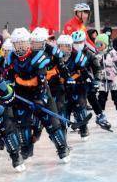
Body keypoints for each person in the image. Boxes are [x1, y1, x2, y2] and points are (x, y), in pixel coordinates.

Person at [5, 28, 70, 161]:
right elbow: (9, 78)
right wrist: (8, 91)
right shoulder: (11, 57)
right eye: (17, 43)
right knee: (23, 124)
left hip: (40, 92)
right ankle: (26, 148)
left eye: (22, 43)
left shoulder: (38, 56)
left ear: (28, 42)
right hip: (22, 94)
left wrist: (40, 99)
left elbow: (41, 79)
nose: (20, 46)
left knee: (52, 123)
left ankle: (62, 148)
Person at [57, 34, 92, 139]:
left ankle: (83, 128)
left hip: (76, 85)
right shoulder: (55, 57)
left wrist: (88, 80)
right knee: (63, 109)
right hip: (61, 87)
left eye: (68, 45)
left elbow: (83, 71)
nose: (66, 48)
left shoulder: (77, 55)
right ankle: (63, 132)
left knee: (79, 105)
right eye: (63, 45)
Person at [94, 34, 117, 125]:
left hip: (113, 79)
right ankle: (100, 114)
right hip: (102, 81)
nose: (98, 47)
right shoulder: (96, 55)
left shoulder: (112, 53)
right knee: (101, 98)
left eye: (100, 44)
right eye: (96, 44)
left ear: (106, 44)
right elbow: (93, 67)